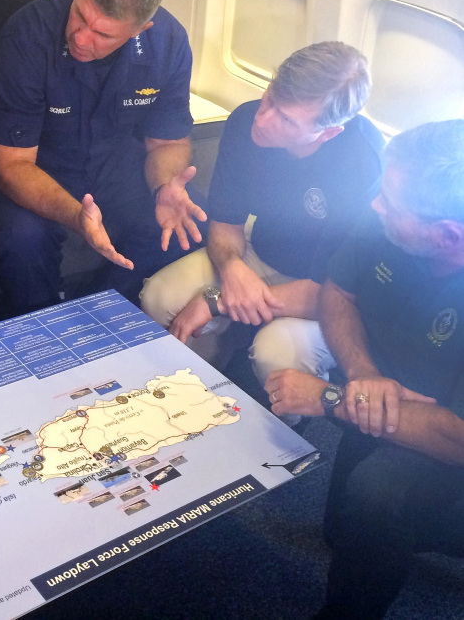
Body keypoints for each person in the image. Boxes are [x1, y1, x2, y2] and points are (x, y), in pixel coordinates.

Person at [264, 120, 464, 618]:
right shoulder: (386, 216)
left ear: (446, 235)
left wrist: (331, 399)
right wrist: (362, 376)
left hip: (450, 432)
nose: (376, 204)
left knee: (374, 498)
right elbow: (339, 290)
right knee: (341, 530)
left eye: (391, 205)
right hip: (387, 389)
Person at [0, 0, 206, 317]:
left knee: (192, 220)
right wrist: (76, 217)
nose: (81, 38)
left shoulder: (169, 42)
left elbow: (167, 141)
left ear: (140, 30)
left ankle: (96, 315)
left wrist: (165, 185)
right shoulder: (27, 35)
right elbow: (12, 165)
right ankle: (43, 326)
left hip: (115, 164)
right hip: (37, 166)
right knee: (24, 239)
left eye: (103, 34)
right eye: (80, 16)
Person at [139, 43, 383, 390]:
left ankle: (287, 429)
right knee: (160, 298)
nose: (263, 119)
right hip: (263, 248)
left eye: (286, 119)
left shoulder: (362, 163)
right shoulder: (244, 121)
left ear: (327, 133)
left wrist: (219, 301)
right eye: (270, 98)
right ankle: (198, 385)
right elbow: (226, 222)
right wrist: (233, 268)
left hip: (331, 289)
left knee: (277, 353)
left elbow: (332, 291)